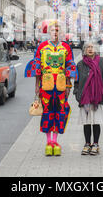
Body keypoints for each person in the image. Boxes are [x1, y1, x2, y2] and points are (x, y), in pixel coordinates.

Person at [24, 21, 78, 156]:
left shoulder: (66, 47)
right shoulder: (42, 47)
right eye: (53, 30)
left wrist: (68, 86)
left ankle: (55, 141)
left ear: (61, 33)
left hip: (60, 86)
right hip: (46, 85)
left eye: (58, 30)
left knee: (60, 112)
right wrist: (37, 86)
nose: (55, 33)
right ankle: (48, 142)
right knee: (47, 112)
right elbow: (37, 68)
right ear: (49, 32)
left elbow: (70, 67)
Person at [74, 41, 103, 156]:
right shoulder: (80, 64)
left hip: (97, 98)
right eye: (87, 47)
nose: (90, 49)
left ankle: (95, 144)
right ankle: (87, 144)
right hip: (84, 98)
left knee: (96, 122)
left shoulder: (102, 61)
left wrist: (101, 91)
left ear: (95, 49)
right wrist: (77, 94)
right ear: (84, 50)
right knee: (86, 122)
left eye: (92, 47)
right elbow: (76, 81)